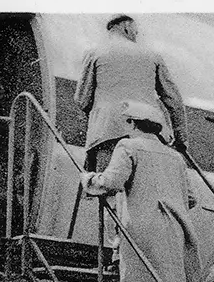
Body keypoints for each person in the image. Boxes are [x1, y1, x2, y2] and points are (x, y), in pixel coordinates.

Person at [81, 101, 201, 282]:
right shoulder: (175, 157)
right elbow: (191, 199)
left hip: (140, 230)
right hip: (174, 231)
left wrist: (88, 179)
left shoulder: (128, 146)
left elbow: (112, 181)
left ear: (133, 124)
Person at [75, 14, 186, 172]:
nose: (136, 36)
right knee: (141, 188)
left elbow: (82, 99)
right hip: (147, 134)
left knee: (107, 186)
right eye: (136, 32)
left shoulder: (95, 53)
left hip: (107, 133)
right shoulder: (153, 56)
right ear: (127, 28)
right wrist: (181, 139)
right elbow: (173, 100)